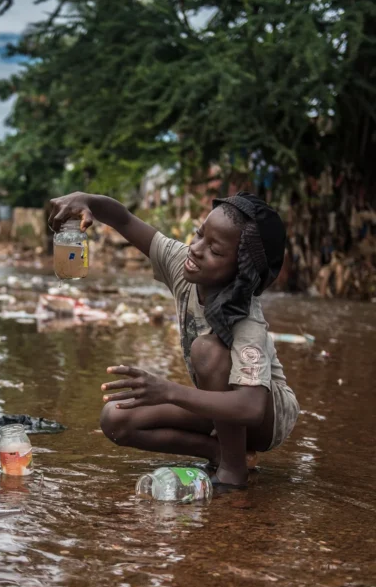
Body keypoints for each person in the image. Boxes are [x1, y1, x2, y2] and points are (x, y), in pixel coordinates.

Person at [49, 191, 300, 489]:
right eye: (199, 234)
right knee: (116, 418)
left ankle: (233, 474)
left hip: (267, 418)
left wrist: (168, 391)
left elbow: (252, 407)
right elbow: (123, 219)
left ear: (241, 274)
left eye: (215, 251)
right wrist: (87, 200)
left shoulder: (247, 318)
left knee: (207, 350)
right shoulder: (183, 264)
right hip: (224, 407)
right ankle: (221, 453)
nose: (196, 249)